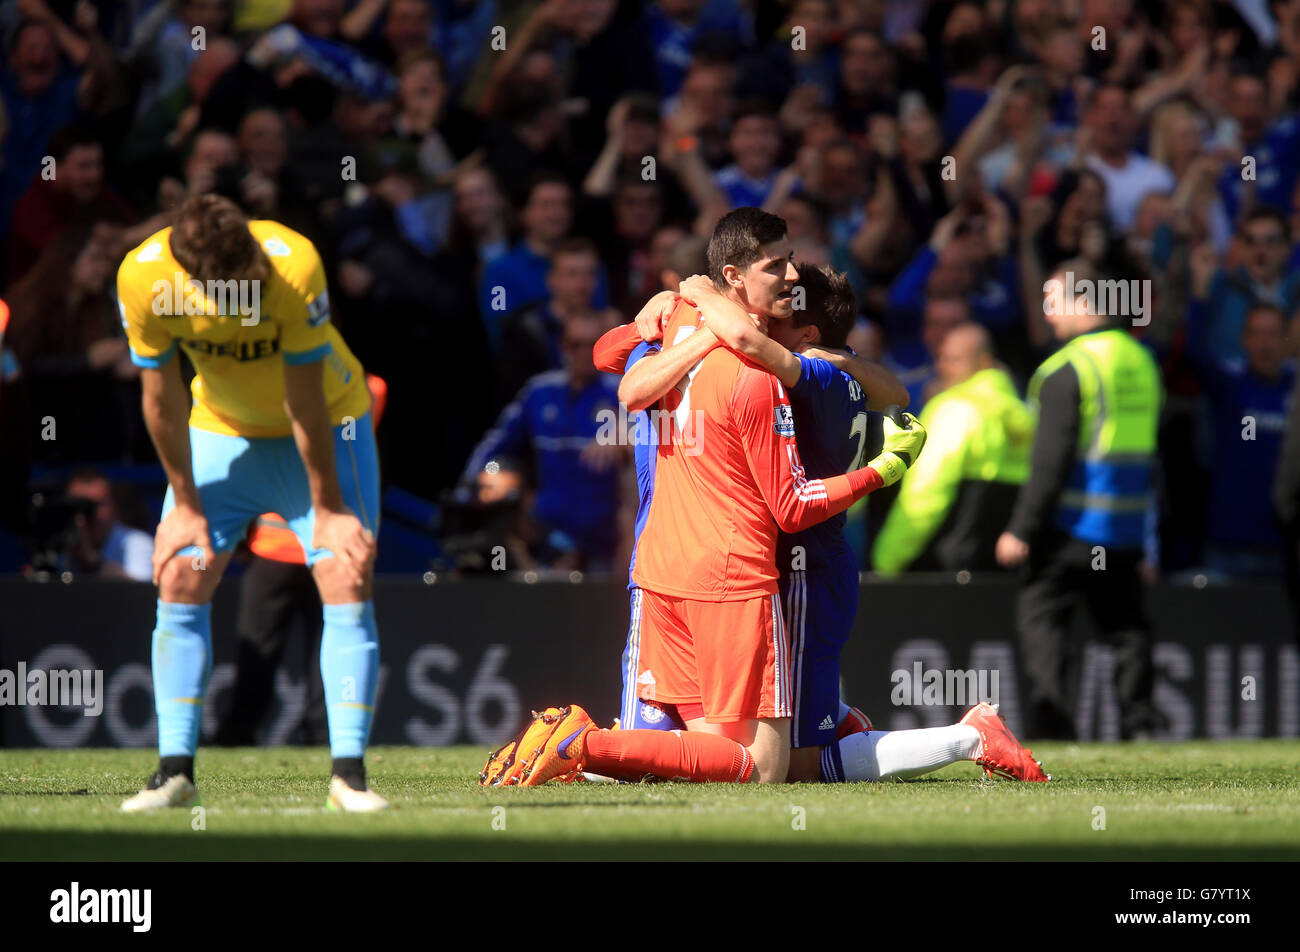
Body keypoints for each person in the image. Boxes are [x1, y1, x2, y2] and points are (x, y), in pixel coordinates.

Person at [483, 208, 929, 786]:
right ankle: (583, 745)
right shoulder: (753, 371)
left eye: (792, 264)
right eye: (778, 265)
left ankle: (581, 745)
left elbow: (618, 370)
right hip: (739, 571)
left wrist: (675, 305)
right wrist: (883, 470)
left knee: (687, 750)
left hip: (666, 563)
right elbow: (794, 496)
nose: (791, 275)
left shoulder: (730, 343)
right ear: (735, 278)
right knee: (771, 765)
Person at [115, 194, 385, 812]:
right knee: (182, 572)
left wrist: (329, 509)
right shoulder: (143, 276)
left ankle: (349, 779)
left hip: (327, 422)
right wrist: (184, 504)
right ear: (196, 278)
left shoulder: (293, 263)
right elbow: (160, 399)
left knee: (344, 572)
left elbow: (304, 401)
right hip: (221, 431)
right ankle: (173, 774)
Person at [996, 259, 1163, 741]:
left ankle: (1053, 728)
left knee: (1044, 625)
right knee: (1127, 629)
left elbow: (1051, 461)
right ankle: (1141, 726)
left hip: (1070, 527)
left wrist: (1021, 529)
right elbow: (1152, 455)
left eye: (1054, 301)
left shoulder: (1069, 368)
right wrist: (1151, 539)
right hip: (1126, 529)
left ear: (1085, 302)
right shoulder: (1140, 360)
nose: (1047, 315)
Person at [873, 323, 1033, 575]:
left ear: (985, 362)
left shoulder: (955, 409)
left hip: (947, 569)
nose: (942, 367)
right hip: (1007, 569)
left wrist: (886, 562)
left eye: (955, 360)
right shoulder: (1022, 413)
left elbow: (926, 495)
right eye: (942, 358)